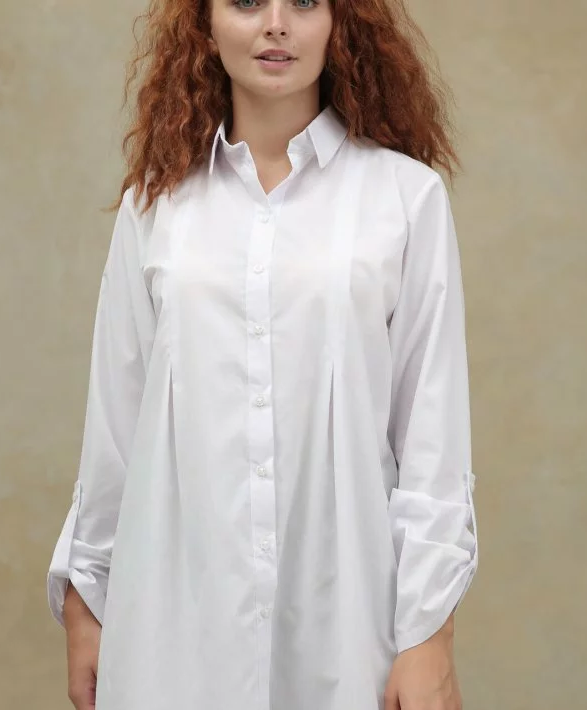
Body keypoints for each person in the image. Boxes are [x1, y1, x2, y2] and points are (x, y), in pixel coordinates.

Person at [46, 0, 480, 708]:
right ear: (206, 23)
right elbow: (116, 424)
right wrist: (86, 598)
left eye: (304, 1)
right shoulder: (156, 205)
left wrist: (429, 630)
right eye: (247, 0)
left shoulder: (405, 199)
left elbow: (431, 432)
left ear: (339, 23)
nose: (276, 23)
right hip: (174, 612)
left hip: (348, 611)